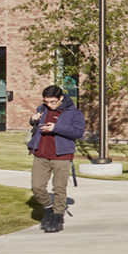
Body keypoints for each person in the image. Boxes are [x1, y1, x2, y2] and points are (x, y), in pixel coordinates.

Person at [26, 85, 85, 232]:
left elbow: (78, 132)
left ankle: (58, 217)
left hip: (61, 155)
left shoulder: (74, 113)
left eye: (53, 102)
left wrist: (55, 128)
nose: (50, 105)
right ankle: (48, 208)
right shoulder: (43, 109)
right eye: (46, 102)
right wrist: (33, 119)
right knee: (37, 186)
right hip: (41, 153)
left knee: (59, 188)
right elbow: (34, 124)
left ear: (61, 98)